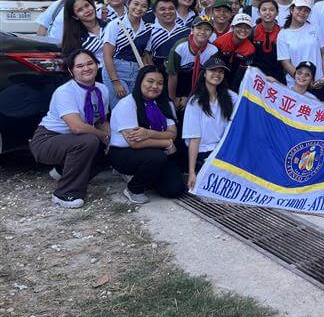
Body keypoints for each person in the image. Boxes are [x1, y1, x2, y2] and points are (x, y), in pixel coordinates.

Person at [29, 50, 110, 208]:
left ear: (97, 65)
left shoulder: (102, 89)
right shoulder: (65, 92)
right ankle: (65, 193)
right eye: (79, 66)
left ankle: (62, 171)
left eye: (89, 63)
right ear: (71, 71)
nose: (86, 68)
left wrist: (110, 140)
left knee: (112, 146)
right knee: (89, 140)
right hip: (47, 139)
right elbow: (77, 127)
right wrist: (103, 136)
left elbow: (101, 120)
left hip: (72, 141)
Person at [108, 65, 184, 204]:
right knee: (156, 157)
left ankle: (147, 177)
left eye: (160, 83)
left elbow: (173, 133)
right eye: (150, 81)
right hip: (125, 152)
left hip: (155, 152)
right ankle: (133, 189)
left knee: (174, 190)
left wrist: (149, 133)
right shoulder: (127, 104)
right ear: (140, 81)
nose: (155, 86)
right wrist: (165, 142)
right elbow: (134, 143)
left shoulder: (165, 103)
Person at [184, 55, 239, 190]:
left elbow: (248, 104)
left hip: (224, 150)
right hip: (204, 151)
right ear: (205, 73)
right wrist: (191, 171)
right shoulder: (195, 102)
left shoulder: (230, 96)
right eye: (213, 70)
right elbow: (194, 139)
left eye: (221, 71)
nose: (217, 74)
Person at [102, 0, 152, 109]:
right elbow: (107, 55)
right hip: (116, 71)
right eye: (136, 4)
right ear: (128, 3)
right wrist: (115, 81)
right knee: (121, 110)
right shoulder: (115, 24)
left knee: (134, 109)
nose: (139, 8)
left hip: (136, 73)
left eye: (144, 6)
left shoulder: (147, 29)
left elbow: (145, 55)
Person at [165, 16, 219, 113]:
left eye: (207, 29)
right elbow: (172, 75)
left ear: (212, 33)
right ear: (192, 30)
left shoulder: (213, 51)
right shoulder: (180, 47)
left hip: (199, 90)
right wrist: (173, 99)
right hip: (178, 86)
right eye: (198, 28)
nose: (202, 32)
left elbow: (209, 78)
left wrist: (191, 98)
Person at [277, 0, 324, 89]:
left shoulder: (315, 28)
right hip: (296, 86)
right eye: (299, 9)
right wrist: (304, 81)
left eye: (306, 10)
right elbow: (285, 63)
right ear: (292, 10)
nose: (302, 13)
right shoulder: (283, 34)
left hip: (319, 83)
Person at [61, 0, 106, 72]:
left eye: (87, 5)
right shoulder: (74, 38)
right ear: (75, 16)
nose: (87, 10)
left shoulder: (110, 26)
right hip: (93, 77)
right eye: (80, 10)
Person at [214, 13, 256, 90]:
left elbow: (242, 73)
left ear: (251, 30)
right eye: (239, 26)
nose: (243, 30)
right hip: (216, 77)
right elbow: (213, 65)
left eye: (247, 28)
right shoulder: (220, 42)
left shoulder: (250, 49)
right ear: (232, 27)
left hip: (235, 81)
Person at [146, 0, 190, 69]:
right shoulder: (149, 31)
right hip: (158, 75)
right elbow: (146, 55)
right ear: (155, 13)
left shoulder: (186, 31)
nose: (168, 12)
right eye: (162, 9)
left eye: (171, 8)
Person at [251, 0, 285, 83]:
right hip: (256, 76)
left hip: (278, 77)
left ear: (277, 13)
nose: (267, 12)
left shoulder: (283, 33)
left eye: (272, 10)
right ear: (259, 13)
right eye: (264, 10)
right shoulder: (252, 32)